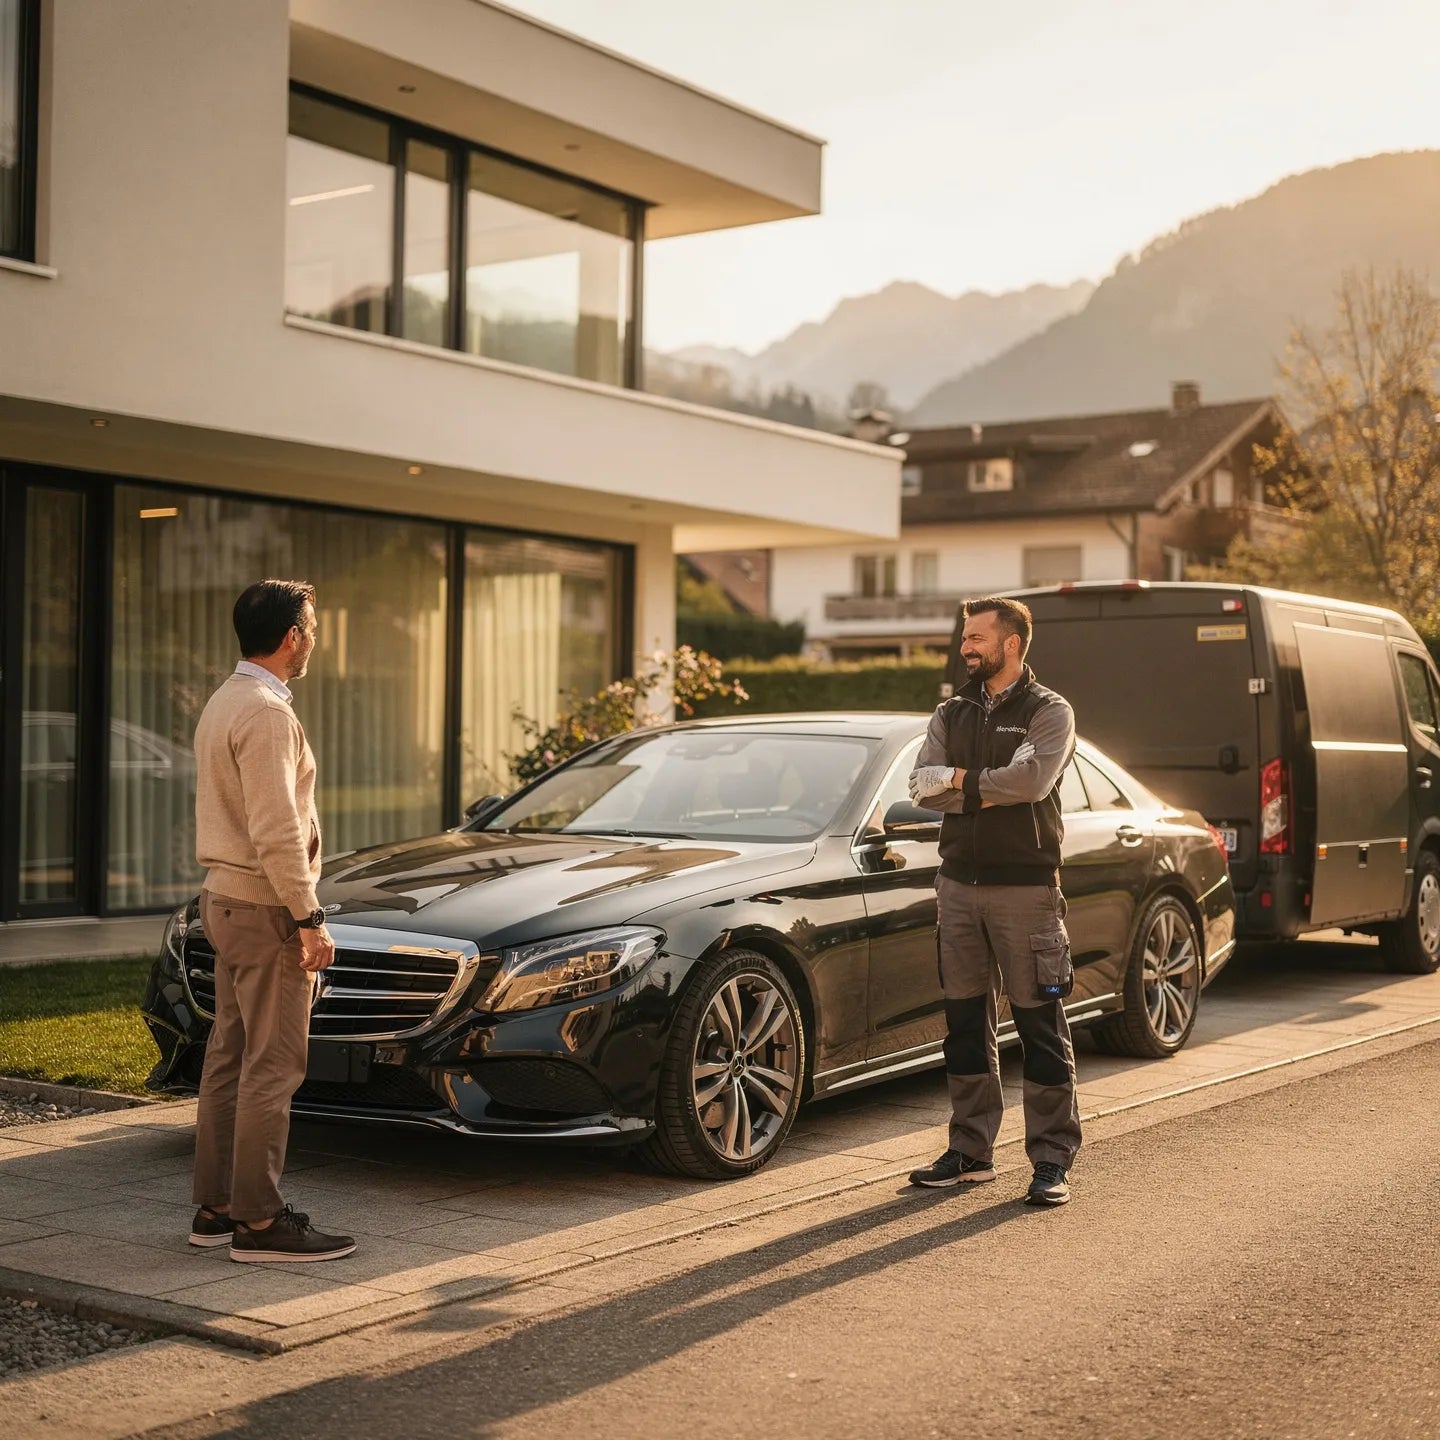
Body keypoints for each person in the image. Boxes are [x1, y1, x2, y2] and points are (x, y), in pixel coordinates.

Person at [188, 579, 355, 1261]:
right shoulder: (266, 713)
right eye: (311, 628)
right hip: (263, 907)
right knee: (274, 1062)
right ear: (292, 638)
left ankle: (216, 1206)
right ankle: (258, 1222)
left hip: (224, 900)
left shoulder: (227, 700)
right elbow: (277, 831)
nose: (313, 639)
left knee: (229, 1055)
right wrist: (309, 916)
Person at [906, 596, 1081, 1206]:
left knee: (1039, 1024)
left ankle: (1052, 1158)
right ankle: (970, 1153)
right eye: (965, 636)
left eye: (977, 637)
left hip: (1026, 891)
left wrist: (960, 781)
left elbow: (1034, 782)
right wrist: (983, 787)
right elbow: (923, 788)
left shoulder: (1049, 711)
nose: (966, 647)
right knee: (963, 1025)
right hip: (956, 887)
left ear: (1011, 643)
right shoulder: (951, 712)